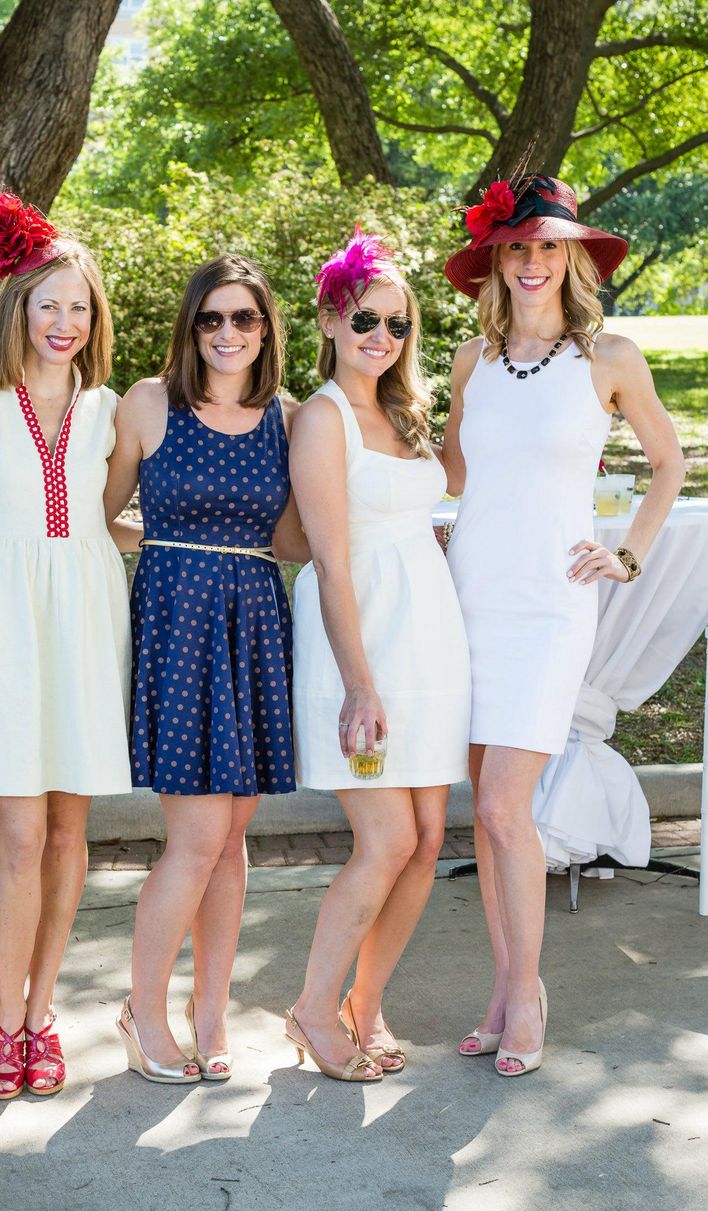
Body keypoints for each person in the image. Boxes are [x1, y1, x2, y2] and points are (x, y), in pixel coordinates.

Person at [442, 174, 685, 1076]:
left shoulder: (610, 357)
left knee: (508, 806)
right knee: (488, 814)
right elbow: (457, 475)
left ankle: (530, 991)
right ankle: (504, 991)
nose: (533, 261)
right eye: (517, 246)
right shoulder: (472, 362)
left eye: (548, 245)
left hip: (550, 603)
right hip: (469, 590)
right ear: (495, 262)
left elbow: (670, 461)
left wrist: (625, 554)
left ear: (572, 255)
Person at [0, 194, 137, 1099]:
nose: (66, 322)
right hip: (6, 625)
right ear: (16, 305)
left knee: (69, 831)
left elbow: (109, 520)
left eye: (81, 305)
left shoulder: (110, 411)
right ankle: (5, 1017)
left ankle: (45, 1012)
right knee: (16, 833)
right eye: (49, 302)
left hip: (87, 617)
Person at [104, 254, 306, 1084]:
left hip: (255, 617)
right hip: (178, 623)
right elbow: (99, 513)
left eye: (245, 319)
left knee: (232, 841)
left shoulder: (289, 417)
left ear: (267, 331)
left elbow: (294, 539)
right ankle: (142, 1009)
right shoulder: (150, 404)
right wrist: (158, 551)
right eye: (212, 318)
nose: (228, 334)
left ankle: (211, 1010)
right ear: (191, 327)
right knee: (195, 836)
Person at [286, 228, 471, 1083]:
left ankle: (367, 999)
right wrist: (359, 683)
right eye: (366, 318)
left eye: (398, 326)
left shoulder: (403, 412)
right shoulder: (322, 418)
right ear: (330, 316)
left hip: (428, 633)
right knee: (387, 838)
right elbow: (329, 558)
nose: (382, 338)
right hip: (362, 645)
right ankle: (312, 1009)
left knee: (429, 838)